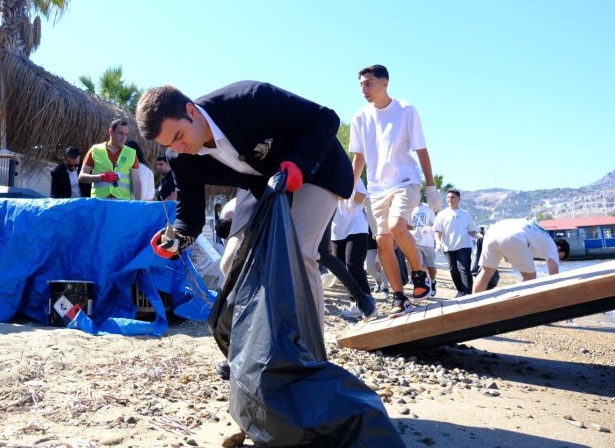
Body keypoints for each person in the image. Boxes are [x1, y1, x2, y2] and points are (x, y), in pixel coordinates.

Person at [136, 81, 353, 335]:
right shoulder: (181, 159)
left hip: (314, 168)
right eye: (169, 145)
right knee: (231, 262)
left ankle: (308, 354)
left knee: (299, 253)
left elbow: (325, 119)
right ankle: (250, 352)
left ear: (191, 111)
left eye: (179, 137)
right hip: (260, 186)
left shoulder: (249, 98)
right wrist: (174, 241)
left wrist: (300, 163)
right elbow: (190, 218)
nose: (179, 149)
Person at [349, 64, 442, 316]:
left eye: (368, 83)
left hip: (405, 181)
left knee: (397, 226)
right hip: (377, 189)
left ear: (384, 83)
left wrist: (431, 187)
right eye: (360, 84)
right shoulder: (359, 117)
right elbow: (359, 158)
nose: (363, 89)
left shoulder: (405, 110)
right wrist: (351, 186)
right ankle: (400, 297)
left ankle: (420, 274)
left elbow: (421, 149)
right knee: (382, 240)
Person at [472, 219, 570, 293]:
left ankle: (474, 306)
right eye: (560, 257)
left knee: (486, 273)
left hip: (492, 232)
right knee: (530, 276)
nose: (557, 259)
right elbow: (554, 277)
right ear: (559, 248)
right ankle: (520, 309)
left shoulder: (541, 235)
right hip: (513, 235)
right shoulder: (552, 245)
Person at [330, 179, 376, 320]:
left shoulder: (349, 170)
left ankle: (368, 302)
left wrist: (342, 193)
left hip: (356, 225)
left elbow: (363, 195)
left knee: (353, 264)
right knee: (341, 269)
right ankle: (356, 304)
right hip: (336, 229)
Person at [78, 119, 142, 200]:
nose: (124, 138)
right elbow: (81, 177)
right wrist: (101, 177)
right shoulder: (95, 150)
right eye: (121, 133)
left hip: (122, 204)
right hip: (99, 203)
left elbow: (136, 183)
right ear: (111, 132)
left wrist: (139, 205)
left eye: (126, 134)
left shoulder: (132, 153)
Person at [433, 190, 478, 296]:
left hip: (464, 245)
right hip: (448, 246)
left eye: (452, 197)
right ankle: (460, 290)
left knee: (464, 269)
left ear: (459, 199)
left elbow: (472, 230)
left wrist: (477, 240)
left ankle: (468, 293)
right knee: (453, 270)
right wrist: (438, 242)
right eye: (448, 197)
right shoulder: (442, 214)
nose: (450, 199)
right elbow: (437, 230)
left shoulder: (465, 214)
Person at [409, 200, 438, 295]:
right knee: (419, 265)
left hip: (427, 242)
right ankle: (423, 285)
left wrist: (429, 228)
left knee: (431, 267)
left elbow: (435, 223)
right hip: (414, 242)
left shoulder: (428, 208)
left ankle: (433, 282)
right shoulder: (408, 207)